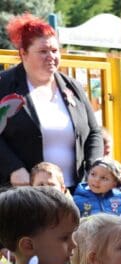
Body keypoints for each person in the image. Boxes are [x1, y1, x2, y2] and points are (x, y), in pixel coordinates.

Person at [0, 14, 102, 188]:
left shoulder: (72, 87)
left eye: (55, 51)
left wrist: (93, 169)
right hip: (22, 192)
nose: (51, 56)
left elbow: (94, 132)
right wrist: (13, 168)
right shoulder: (4, 85)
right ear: (24, 53)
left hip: (73, 191)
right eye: (43, 51)